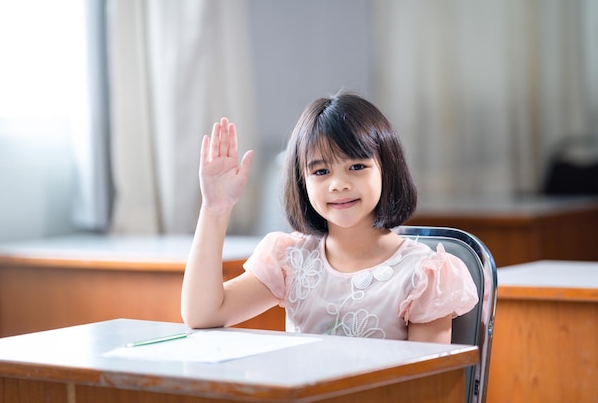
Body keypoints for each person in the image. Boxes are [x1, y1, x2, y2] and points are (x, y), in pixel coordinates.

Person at [181, 92, 478, 343]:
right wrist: (215, 209)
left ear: (387, 168)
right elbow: (203, 314)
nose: (338, 184)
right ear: (302, 181)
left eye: (357, 166)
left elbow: (429, 387)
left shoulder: (424, 275)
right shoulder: (291, 259)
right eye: (321, 171)